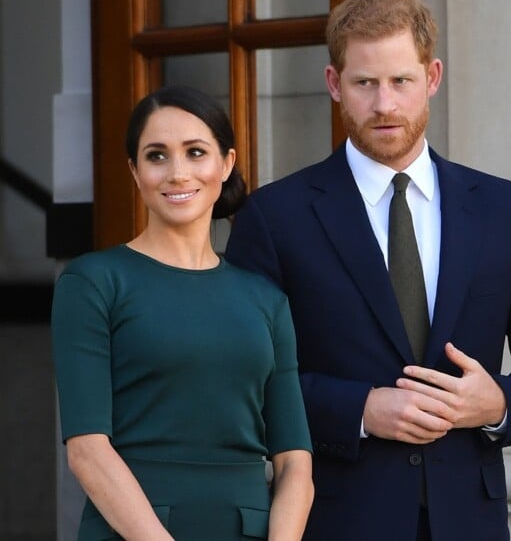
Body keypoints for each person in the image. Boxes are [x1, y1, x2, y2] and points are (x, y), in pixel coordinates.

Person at [225, 0, 511, 541]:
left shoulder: (505, 208)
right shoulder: (274, 216)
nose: (384, 104)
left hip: (470, 522)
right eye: (365, 83)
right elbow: (242, 378)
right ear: (334, 84)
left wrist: (499, 403)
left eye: (401, 81)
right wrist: (359, 410)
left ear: (432, 77)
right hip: (337, 521)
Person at [51, 85, 314, 540]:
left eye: (195, 152)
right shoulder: (93, 282)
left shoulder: (266, 300)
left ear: (226, 163)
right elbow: (87, 450)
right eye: (157, 156)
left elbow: (295, 461)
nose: (177, 173)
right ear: (135, 171)